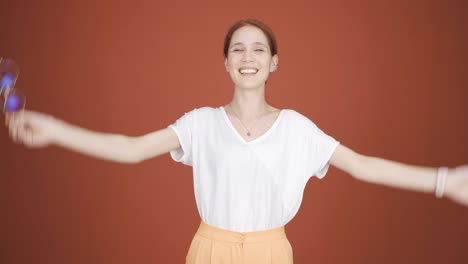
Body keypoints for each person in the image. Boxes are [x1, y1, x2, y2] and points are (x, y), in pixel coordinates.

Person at [4, 19, 468, 264]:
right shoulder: (200, 123)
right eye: (237, 49)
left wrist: (446, 180)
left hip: (272, 252)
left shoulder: (299, 129)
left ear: (274, 63)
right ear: (226, 64)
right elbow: (129, 148)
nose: (248, 57)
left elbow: (364, 165)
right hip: (209, 250)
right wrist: (54, 130)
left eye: (258, 48)